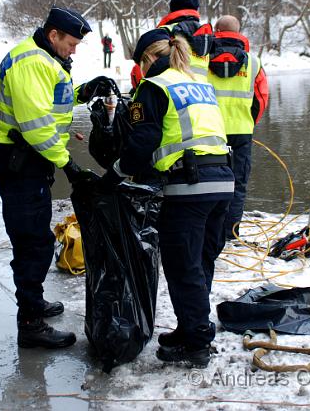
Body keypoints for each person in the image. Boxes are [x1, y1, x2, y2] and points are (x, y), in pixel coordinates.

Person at [97, 28, 234, 368]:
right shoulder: (199, 82)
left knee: (182, 266)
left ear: (147, 60)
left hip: (189, 186)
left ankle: (197, 343)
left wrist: (116, 173)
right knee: (200, 263)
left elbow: (143, 141)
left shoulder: (153, 87)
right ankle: (192, 329)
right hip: (223, 183)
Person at [0, 6, 113, 349]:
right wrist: (68, 165)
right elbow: (36, 125)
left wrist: (83, 92)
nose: (74, 50)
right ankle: (30, 323)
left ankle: (35, 302)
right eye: (71, 43)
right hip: (19, 162)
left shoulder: (43, 56)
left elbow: (51, 103)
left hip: (28, 161)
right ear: (54, 35)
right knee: (33, 243)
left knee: (35, 236)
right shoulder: (32, 63)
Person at [208, 16, 270, 241]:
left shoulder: (202, 60)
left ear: (216, 30)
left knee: (209, 181)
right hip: (241, 131)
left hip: (209, 131)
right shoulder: (253, 62)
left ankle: (210, 230)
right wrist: (248, 120)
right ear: (239, 32)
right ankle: (231, 233)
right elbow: (261, 98)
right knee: (238, 183)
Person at [157, 0, 213, 78]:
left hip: (173, 88)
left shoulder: (165, 31)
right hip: (202, 89)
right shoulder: (206, 35)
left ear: (172, 9)